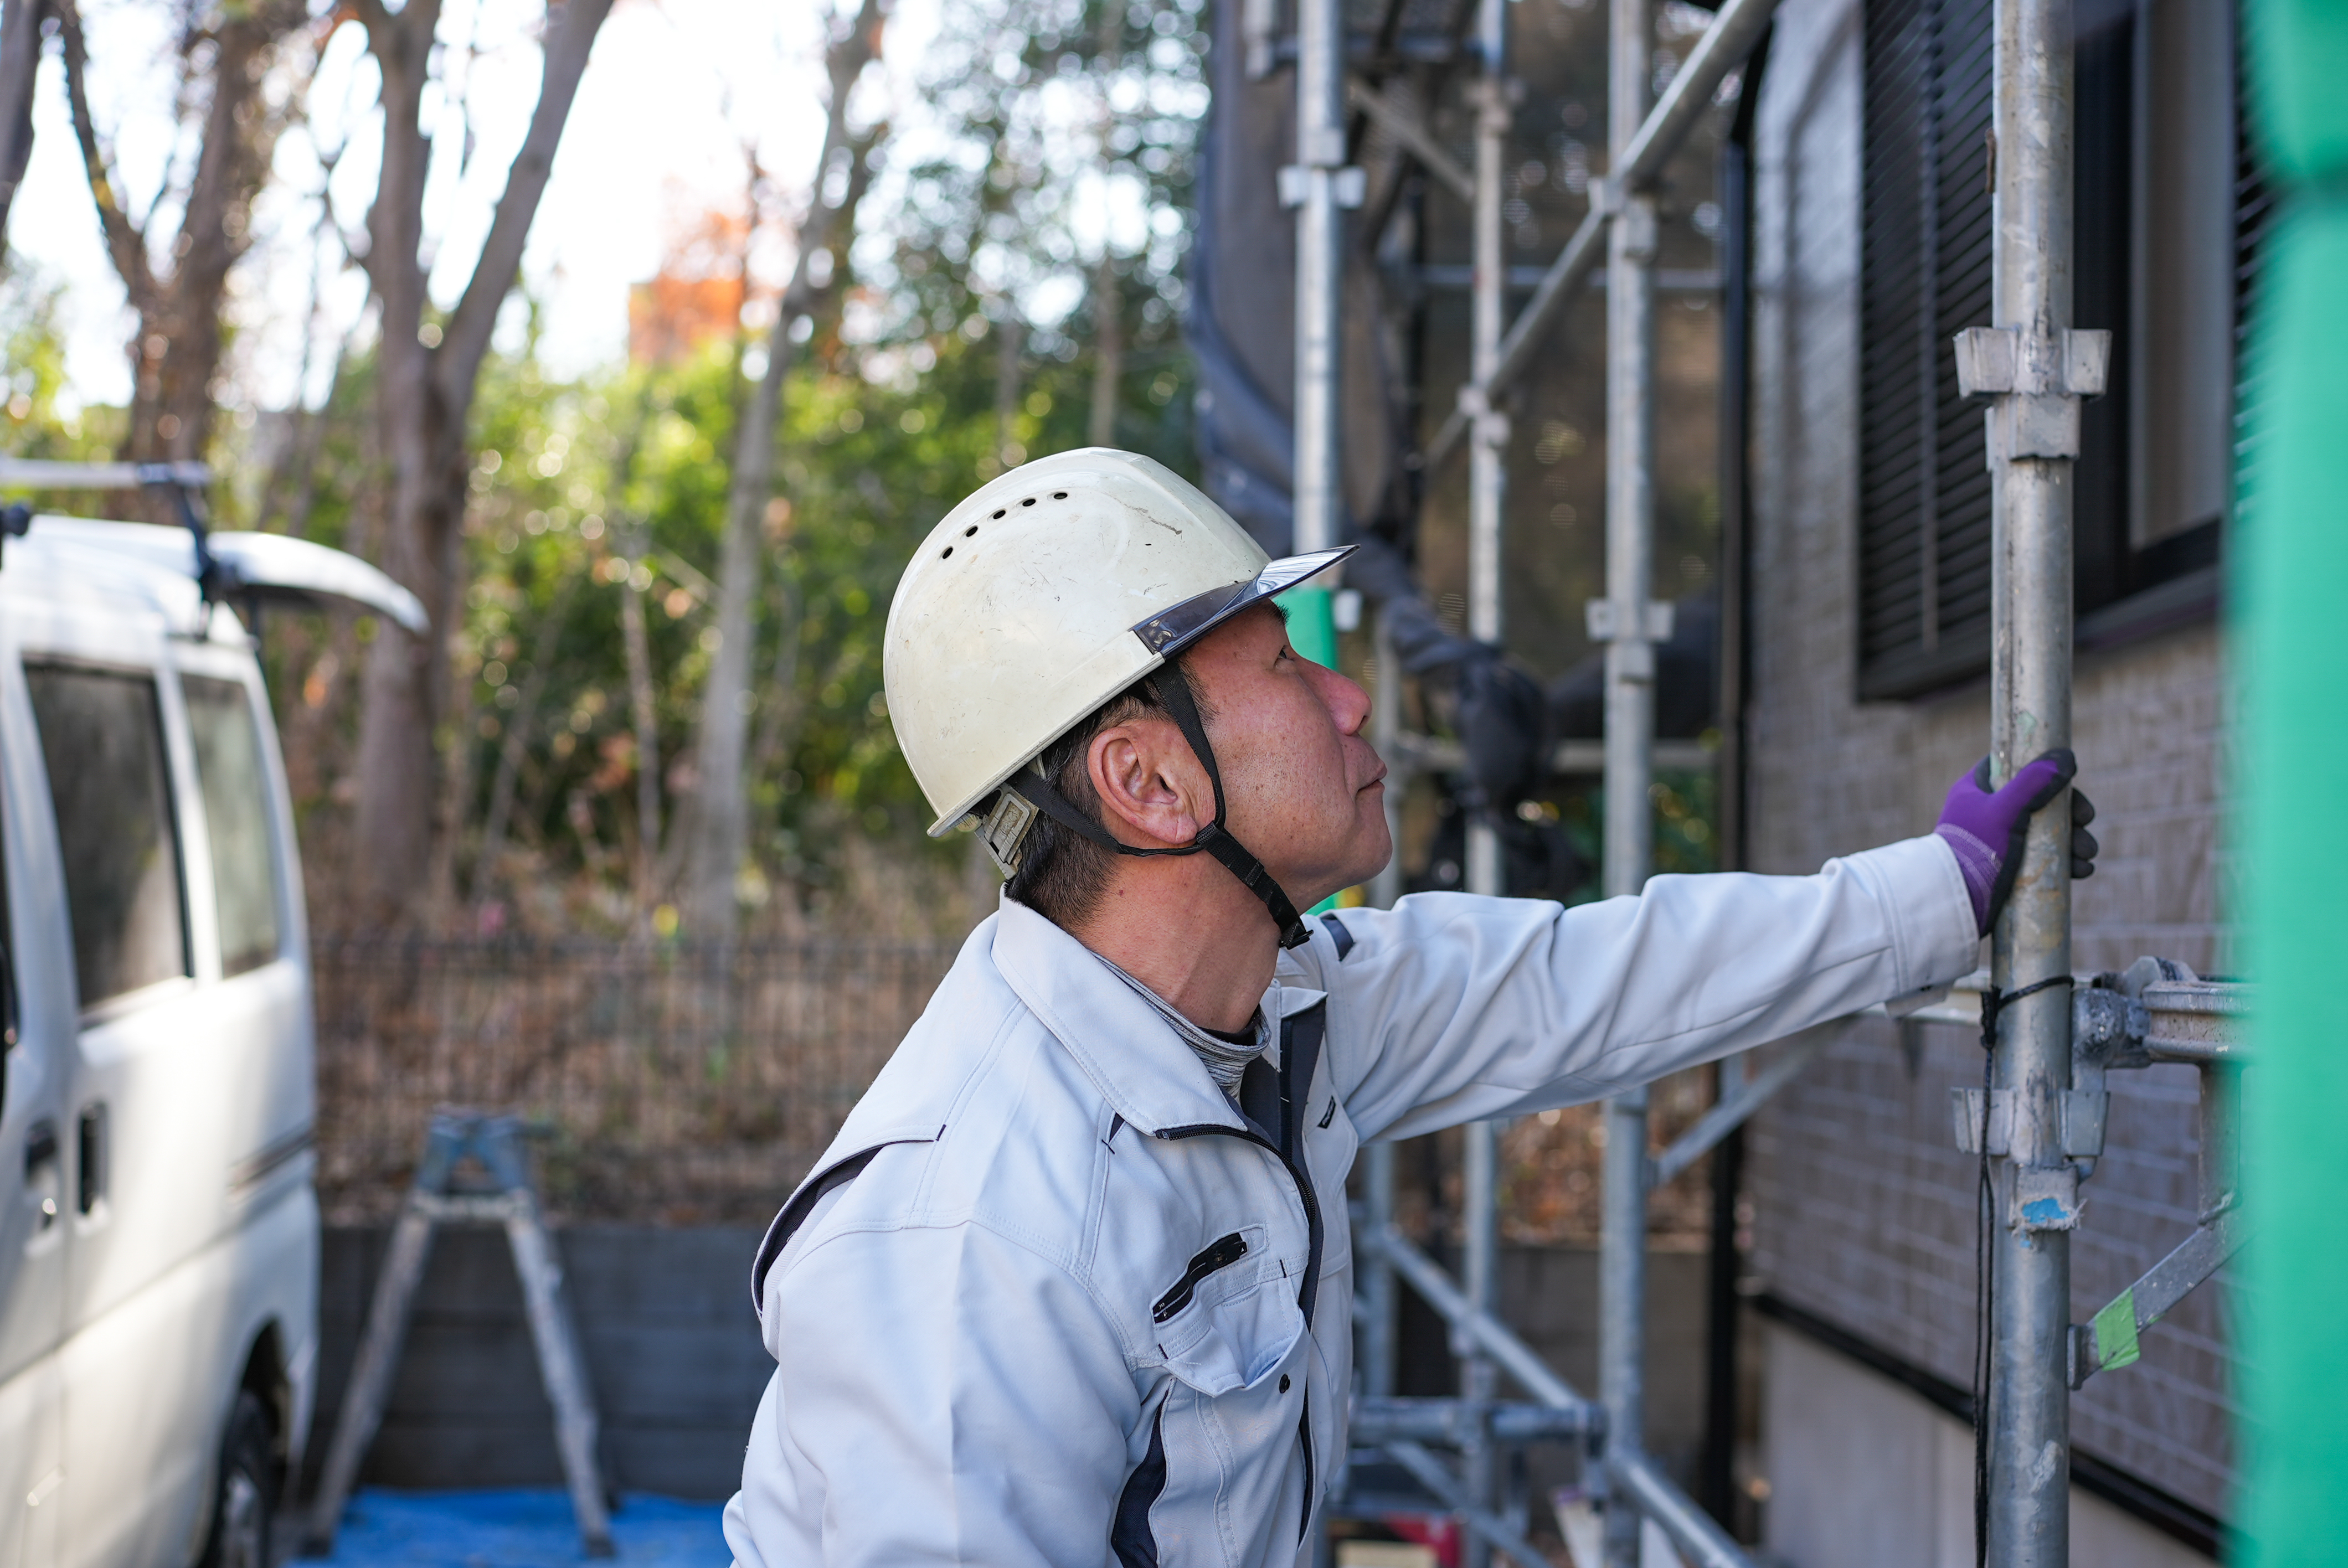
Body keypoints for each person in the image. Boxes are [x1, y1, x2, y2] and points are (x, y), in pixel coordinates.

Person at [722, 448, 2095, 1567]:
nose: (1352, 692)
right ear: (1148, 784)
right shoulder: (977, 1234)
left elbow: (1596, 979)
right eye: (1279, 666)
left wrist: (1940, 889)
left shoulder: (1279, 1007)